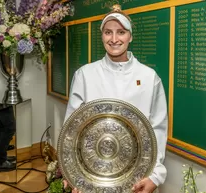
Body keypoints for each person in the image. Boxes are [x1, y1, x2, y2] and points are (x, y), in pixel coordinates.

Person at [63, 4, 168, 193]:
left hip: (137, 178)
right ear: (101, 36)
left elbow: (157, 129)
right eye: (107, 32)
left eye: (121, 32)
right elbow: (71, 129)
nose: (113, 39)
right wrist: (71, 173)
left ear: (130, 36)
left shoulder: (149, 77)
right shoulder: (85, 75)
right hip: (92, 177)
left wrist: (155, 176)